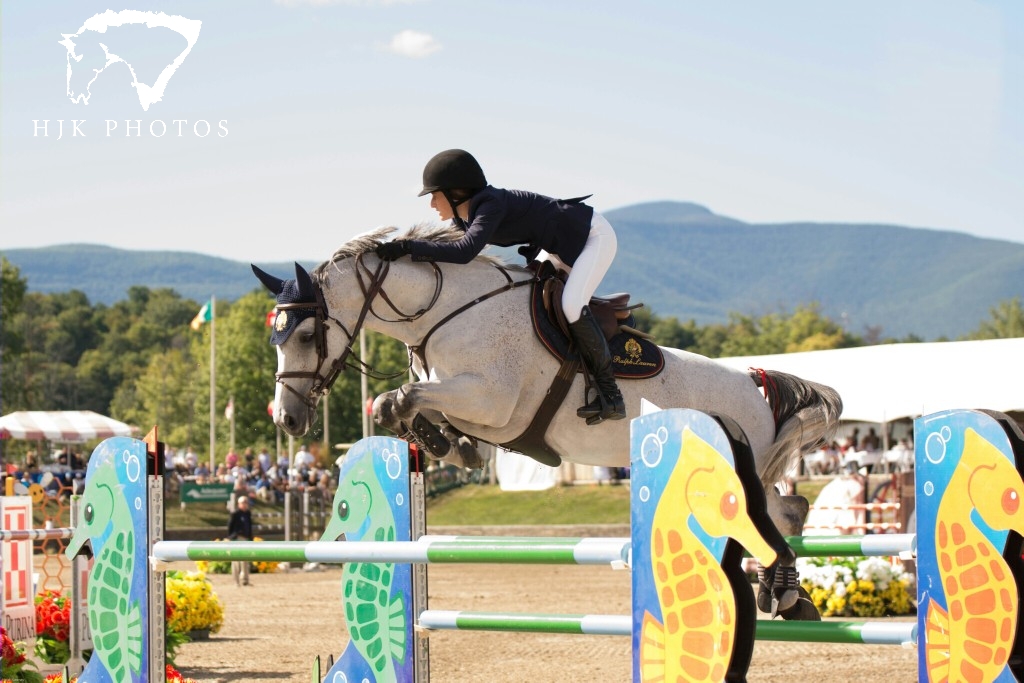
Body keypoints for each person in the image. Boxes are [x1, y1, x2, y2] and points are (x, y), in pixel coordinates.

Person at [375, 149, 625, 423]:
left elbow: (464, 252)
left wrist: (408, 247)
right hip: (558, 246)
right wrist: (401, 251)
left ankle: (611, 395)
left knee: (572, 305)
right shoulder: (465, 217)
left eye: (435, 195)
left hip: (592, 236)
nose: (432, 204)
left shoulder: (489, 204)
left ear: (455, 192)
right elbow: (445, 252)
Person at [227, 496, 254, 586]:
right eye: (243, 503)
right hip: (237, 538)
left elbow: (249, 526)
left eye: (246, 502)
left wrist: (250, 537)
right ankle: (236, 581)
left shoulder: (248, 513)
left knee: (245, 560)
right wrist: (232, 537)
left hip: (245, 538)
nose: (245, 504)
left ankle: (245, 580)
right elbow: (230, 526)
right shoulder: (235, 514)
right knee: (236, 560)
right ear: (239, 504)